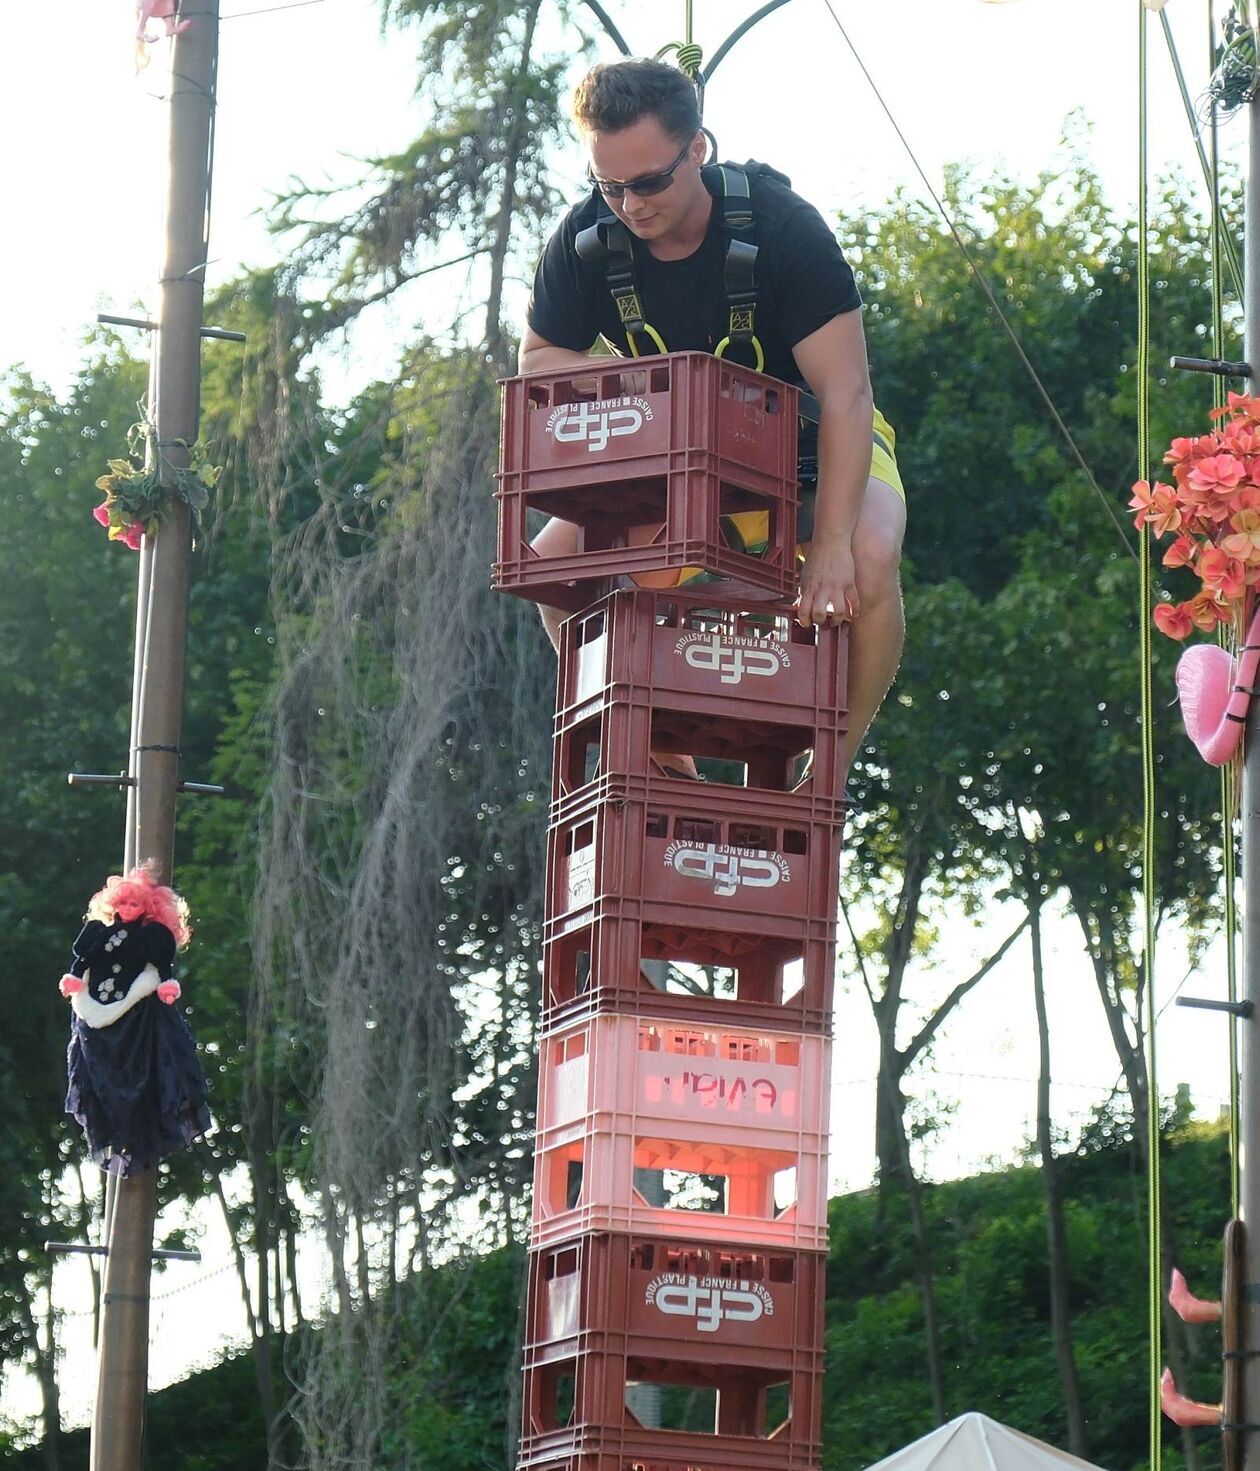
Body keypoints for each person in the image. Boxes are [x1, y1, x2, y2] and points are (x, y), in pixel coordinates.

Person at [521, 57, 906, 769]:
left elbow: (848, 394)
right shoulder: (584, 243)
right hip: (683, 462)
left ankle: (831, 767)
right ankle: (668, 758)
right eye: (609, 187)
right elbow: (539, 359)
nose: (630, 206)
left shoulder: (784, 230)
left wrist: (829, 546)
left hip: (809, 450)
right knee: (553, 567)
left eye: (649, 183)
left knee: (870, 557)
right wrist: (667, 390)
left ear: (697, 149)